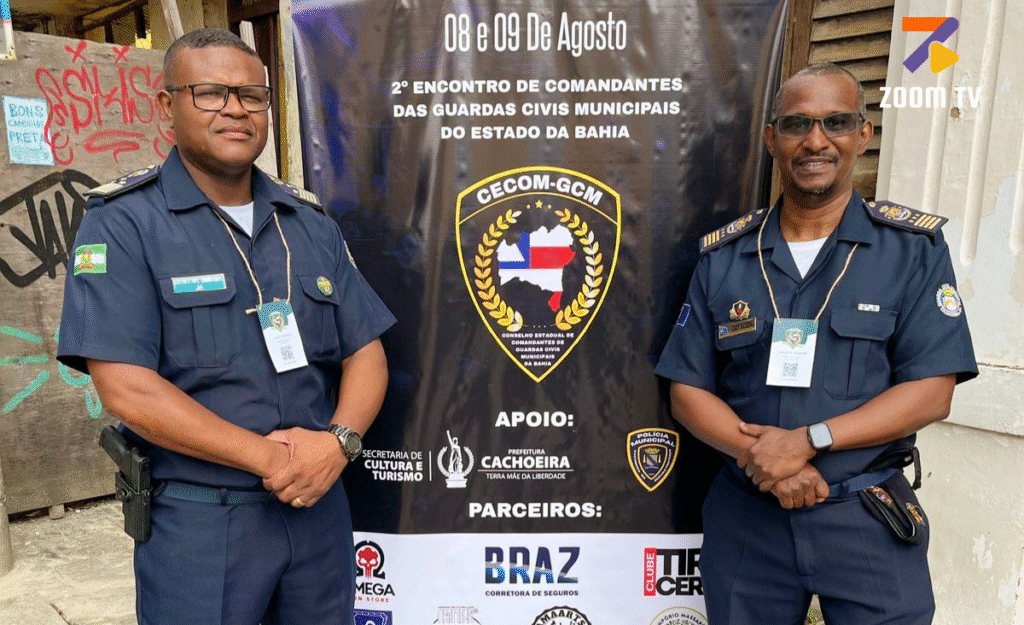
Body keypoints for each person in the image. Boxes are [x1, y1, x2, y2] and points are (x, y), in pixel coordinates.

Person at [57, 28, 395, 625]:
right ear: (167, 106)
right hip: (201, 525)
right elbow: (125, 386)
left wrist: (337, 444)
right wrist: (269, 459)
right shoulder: (125, 224)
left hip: (316, 512)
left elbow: (365, 350)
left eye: (252, 95)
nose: (236, 109)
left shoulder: (308, 223)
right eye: (211, 93)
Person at [655, 62, 977, 624]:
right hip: (748, 519)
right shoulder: (725, 256)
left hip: (864, 516)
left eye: (836, 121)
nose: (816, 140)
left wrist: (809, 440)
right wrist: (766, 459)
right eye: (798, 123)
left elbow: (931, 391)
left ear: (863, 134)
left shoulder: (912, 250)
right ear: (771, 137)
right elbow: (686, 389)